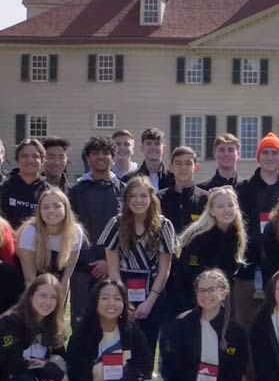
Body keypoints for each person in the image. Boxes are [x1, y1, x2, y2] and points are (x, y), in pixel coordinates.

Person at [161, 269, 249, 381]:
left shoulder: (235, 330)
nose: (206, 295)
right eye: (201, 290)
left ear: (223, 292)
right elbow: (175, 371)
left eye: (211, 290)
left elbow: (234, 375)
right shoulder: (181, 323)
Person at [99, 176, 176, 350]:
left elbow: (165, 269)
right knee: (122, 346)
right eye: (132, 196)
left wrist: (149, 303)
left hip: (153, 291)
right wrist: (123, 302)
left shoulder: (164, 225)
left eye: (143, 196)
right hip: (122, 289)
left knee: (147, 347)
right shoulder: (115, 224)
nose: (138, 201)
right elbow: (113, 269)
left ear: (151, 198)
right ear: (126, 199)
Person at [68, 136, 125, 328]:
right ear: (87, 158)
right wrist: (91, 262)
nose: (101, 157)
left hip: (115, 269)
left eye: (105, 153)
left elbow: (128, 232)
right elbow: (72, 231)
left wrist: (109, 263)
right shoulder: (75, 192)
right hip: (83, 270)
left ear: (113, 157)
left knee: (112, 322)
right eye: (95, 153)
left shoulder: (124, 191)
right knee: (82, 323)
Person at [236, 132, 279, 320]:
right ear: (259, 157)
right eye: (265, 153)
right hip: (248, 266)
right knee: (246, 320)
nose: (269, 157)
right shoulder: (244, 188)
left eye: (275, 153)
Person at [174, 187, 247, 317]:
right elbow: (191, 270)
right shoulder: (198, 238)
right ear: (212, 211)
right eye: (220, 206)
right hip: (196, 298)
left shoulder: (236, 235)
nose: (227, 210)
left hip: (224, 298)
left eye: (230, 205)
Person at [16, 188, 86, 294]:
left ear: (66, 208)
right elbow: (30, 280)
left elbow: (65, 278)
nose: (51, 211)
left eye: (57, 206)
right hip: (28, 291)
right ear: (39, 212)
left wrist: (58, 309)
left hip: (56, 288)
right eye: (45, 207)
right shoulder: (30, 232)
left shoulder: (75, 232)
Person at [0, 138, 49, 229]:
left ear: (42, 160)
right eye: (25, 156)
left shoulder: (49, 192)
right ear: (17, 159)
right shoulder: (2, 189)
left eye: (35, 156)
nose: (30, 160)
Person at [157, 146, 208, 234]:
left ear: (196, 167)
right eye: (178, 163)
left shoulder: (206, 199)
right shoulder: (158, 198)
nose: (183, 167)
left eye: (188, 163)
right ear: (171, 167)